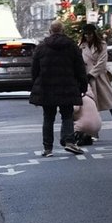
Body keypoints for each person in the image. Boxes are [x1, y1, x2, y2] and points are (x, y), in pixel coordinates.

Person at [29, 18, 88, 157]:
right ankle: (69, 142)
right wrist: (83, 86)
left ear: (50, 31)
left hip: (46, 87)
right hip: (67, 87)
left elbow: (34, 70)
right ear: (63, 31)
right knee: (67, 115)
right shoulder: (72, 46)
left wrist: (35, 86)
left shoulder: (41, 47)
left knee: (48, 118)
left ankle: (47, 148)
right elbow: (80, 68)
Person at [78, 23, 112, 142]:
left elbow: (102, 62)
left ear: (94, 34)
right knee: (92, 106)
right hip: (87, 79)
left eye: (89, 34)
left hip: (100, 77)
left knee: (111, 103)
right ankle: (94, 132)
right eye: (85, 34)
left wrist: (91, 74)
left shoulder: (102, 44)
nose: (87, 36)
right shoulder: (81, 46)